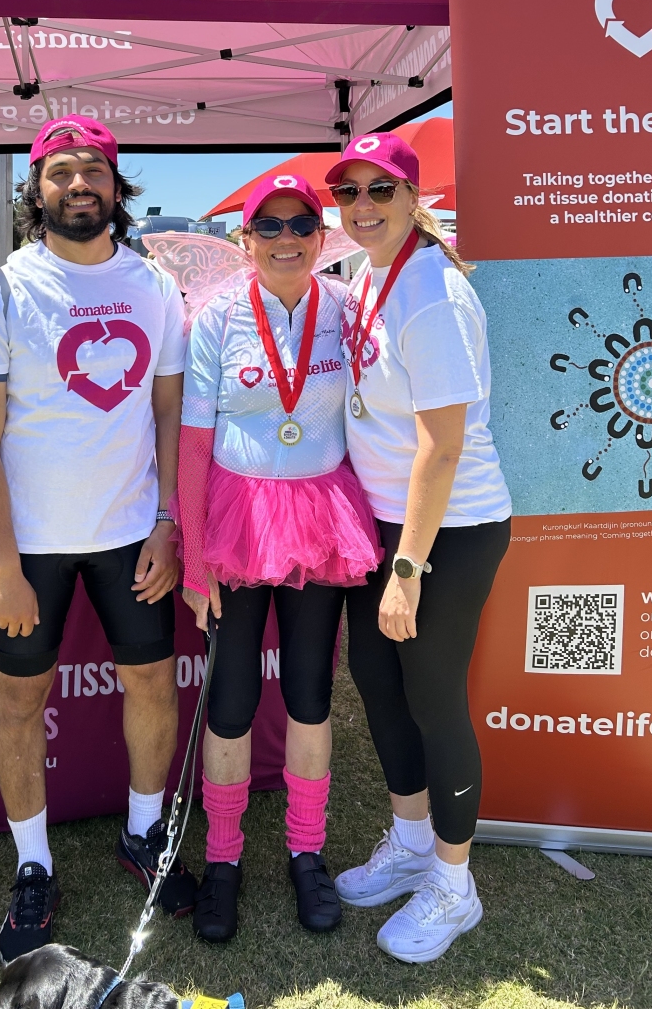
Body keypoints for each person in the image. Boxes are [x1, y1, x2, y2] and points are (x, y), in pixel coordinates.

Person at [0, 115, 196, 963]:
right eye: (60, 172)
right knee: (19, 702)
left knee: (153, 685)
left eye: (92, 169)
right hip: (32, 547)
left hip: (133, 533)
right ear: (36, 189)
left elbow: (167, 408)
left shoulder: (154, 285)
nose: (77, 184)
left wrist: (169, 521)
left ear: (116, 186)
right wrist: (5, 565)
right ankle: (33, 864)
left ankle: (141, 832)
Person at [177, 174, 380, 944]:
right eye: (270, 225)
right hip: (236, 520)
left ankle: (306, 850)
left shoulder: (350, 312)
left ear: (322, 238)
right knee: (229, 700)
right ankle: (223, 859)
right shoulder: (217, 318)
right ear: (246, 238)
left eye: (302, 224)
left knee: (308, 694)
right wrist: (196, 563)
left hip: (322, 518)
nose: (287, 238)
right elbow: (194, 444)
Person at [327, 133, 512, 963]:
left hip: (448, 529)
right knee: (376, 679)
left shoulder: (431, 289)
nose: (362, 206)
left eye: (380, 190)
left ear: (412, 197)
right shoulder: (367, 277)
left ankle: (453, 881)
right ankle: (408, 841)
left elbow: (441, 447)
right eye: (350, 192)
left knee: (433, 695)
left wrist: (407, 568)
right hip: (380, 522)